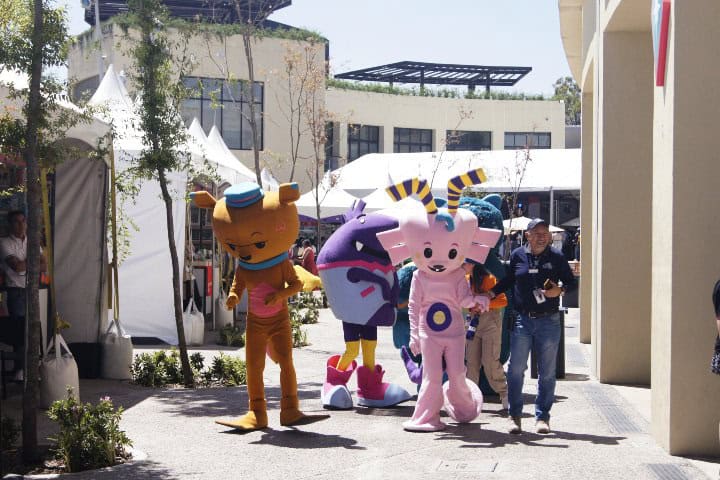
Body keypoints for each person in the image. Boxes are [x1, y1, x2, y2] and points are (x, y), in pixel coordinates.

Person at [487, 218, 576, 434]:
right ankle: (514, 416)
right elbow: (509, 280)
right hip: (522, 320)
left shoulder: (556, 257)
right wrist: (490, 294)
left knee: (547, 372)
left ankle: (542, 418)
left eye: (545, 232)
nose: (542, 235)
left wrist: (560, 291)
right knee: (516, 370)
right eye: (536, 232)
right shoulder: (518, 255)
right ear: (527, 235)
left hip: (549, 321)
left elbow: (571, 283)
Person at [0, 210, 45, 379]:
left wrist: (25, 263)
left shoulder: (32, 242)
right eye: (16, 222)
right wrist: (33, 262)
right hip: (15, 291)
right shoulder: (4, 243)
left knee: (32, 327)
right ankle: (20, 369)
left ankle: (30, 367)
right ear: (10, 225)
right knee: (19, 330)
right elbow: (16, 267)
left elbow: (44, 265)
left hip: (31, 290)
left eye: (23, 221)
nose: (21, 225)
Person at [464, 262, 509, 409]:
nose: (461, 264)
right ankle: (470, 398)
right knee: (471, 363)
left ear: (473, 263)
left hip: (490, 321)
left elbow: (503, 300)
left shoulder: (489, 278)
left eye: (465, 262)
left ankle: (505, 393)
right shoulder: (463, 279)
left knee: (490, 362)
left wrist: (484, 302)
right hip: (473, 323)